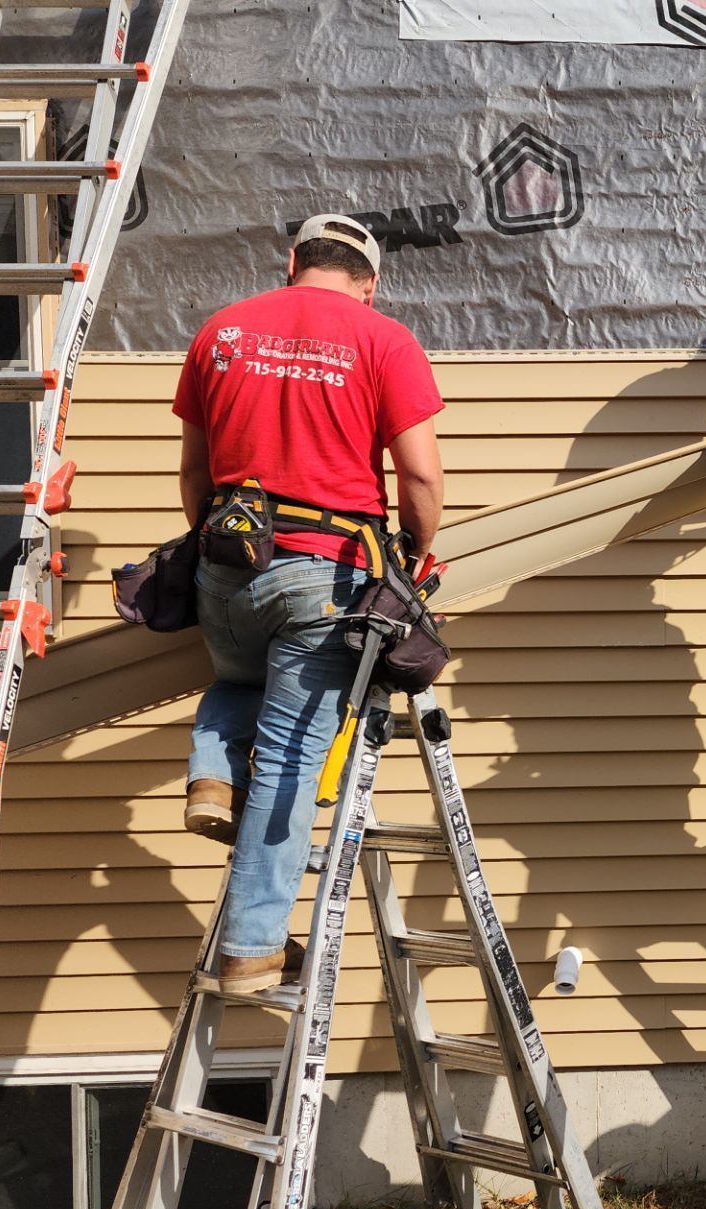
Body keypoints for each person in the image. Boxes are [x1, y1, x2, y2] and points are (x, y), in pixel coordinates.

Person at [173, 214, 445, 994]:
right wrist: (416, 550)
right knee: (291, 760)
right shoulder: (383, 339)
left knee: (237, 678)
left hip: (228, 561)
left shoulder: (223, 332)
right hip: (324, 573)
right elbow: (420, 478)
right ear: (371, 281)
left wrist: (216, 549)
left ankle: (211, 775)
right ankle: (252, 946)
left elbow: (194, 473)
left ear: (292, 261)